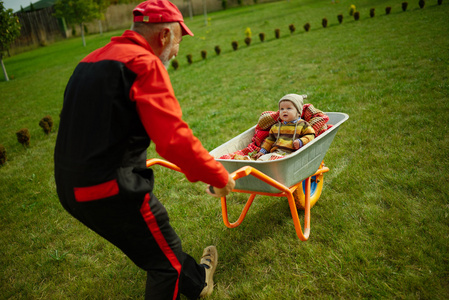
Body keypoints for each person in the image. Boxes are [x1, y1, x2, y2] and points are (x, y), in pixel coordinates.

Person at [54, 0, 235, 299]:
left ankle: (199, 281)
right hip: (111, 187)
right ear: (164, 36)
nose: (177, 51)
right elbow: (173, 139)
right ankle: (192, 279)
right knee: (166, 266)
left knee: (157, 248)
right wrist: (217, 175)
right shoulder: (144, 63)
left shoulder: (88, 61)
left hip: (69, 189)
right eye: (178, 41)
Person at [253, 94, 315, 161]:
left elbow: (311, 135)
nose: (284, 111)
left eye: (289, 108)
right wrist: (263, 151)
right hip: (276, 153)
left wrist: (300, 141)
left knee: (276, 162)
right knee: (261, 160)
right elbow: (270, 140)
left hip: (292, 155)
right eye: (282, 109)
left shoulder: (303, 125)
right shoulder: (276, 127)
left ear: (298, 112)